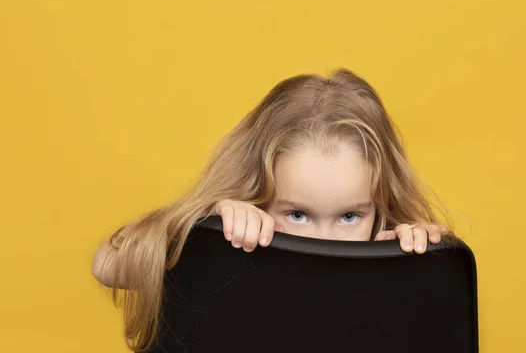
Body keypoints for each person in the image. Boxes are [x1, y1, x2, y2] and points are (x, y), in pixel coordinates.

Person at [92, 68, 454, 351]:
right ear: (260, 196)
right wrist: (206, 232)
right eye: (298, 214)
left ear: (379, 207)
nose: (323, 241)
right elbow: (107, 265)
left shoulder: (391, 260)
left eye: (349, 217)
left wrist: (414, 268)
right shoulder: (233, 253)